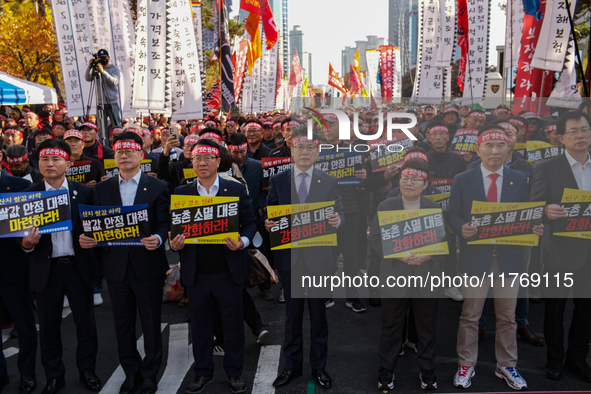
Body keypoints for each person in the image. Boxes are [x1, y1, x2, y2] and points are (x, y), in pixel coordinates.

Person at [447, 125, 544, 390]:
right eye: (488, 145)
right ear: (477, 149)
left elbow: (529, 214)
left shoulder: (520, 179)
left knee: (507, 316)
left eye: (500, 145)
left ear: (509, 148)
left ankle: (507, 365)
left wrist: (535, 225)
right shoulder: (463, 179)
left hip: (509, 258)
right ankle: (466, 363)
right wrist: (460, 227)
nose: (494, 150)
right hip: (475, 257)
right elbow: (452, 214)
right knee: (470, 315)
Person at [79, 131, 171, 394]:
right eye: (119, 152)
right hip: (116, 267)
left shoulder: (158, 187)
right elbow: (95, 223)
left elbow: (165, 221)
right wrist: (89, 240)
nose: (124, 156)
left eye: (130, 151)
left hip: (148, 265)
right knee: (122, 324)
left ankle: (150, 373)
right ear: (114, 157)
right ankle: (131, 372)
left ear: (141, 155)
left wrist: (157, 236)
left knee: (151, 322)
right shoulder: (103, 188)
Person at [170, 139, 257, 394]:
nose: (202, 163)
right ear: (191, 163)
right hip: (196, 274)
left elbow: (251, 223)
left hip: (229, 272)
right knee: (200, 327)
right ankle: (202, 373)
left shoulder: (235, 189)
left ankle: (234, 373)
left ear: (219, 162)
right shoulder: (182, 193)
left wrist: (243, 241)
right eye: (197, 159)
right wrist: (174, 243)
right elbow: (174, 231)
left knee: (232, 326)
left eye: (208, 158)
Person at [22, 138, 101, 394]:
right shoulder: (27, 196)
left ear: (68, 163)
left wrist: (94, 240)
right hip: (46, 270)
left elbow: (97, 228)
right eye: (44, 159)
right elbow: (17, 240)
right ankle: (54, 375)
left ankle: (87, 369)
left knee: (85, 324)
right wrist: (27, 244)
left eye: (56, 159)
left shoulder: (86, 192)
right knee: (48, 327)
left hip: (78, 267)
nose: (49, 164)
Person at [266, 127, 344, 390]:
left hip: (319, 259)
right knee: (292, 316)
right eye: (300, 147)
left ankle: (319, 367)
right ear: (291, 149)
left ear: (318, 151)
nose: (305, 152)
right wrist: (269, 223)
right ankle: (292, 366)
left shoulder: (329, 181)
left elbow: (340, 212)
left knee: (318, 316)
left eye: (310, 147)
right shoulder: (279, 180)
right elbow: (270, 210)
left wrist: (337, 219)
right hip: (290, 259)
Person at [369, 159, 444, 391]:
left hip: (425, 274)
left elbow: (444, 241)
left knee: (426, 327)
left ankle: (427, 370)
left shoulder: (433, 206)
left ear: (425, 184)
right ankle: (386, 370)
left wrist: (428, 256)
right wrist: (397, 255)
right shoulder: (386, 206)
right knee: (391, 326)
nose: (408, 183)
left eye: (415, 179)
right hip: (395, 273)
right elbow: (375, 239)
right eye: (404, 178)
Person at [529, 111, 591, 382]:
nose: (581, 136)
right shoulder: (547, 167)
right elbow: (533, 206)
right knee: (554, 309)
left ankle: (578, 358)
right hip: (559, 250)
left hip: (589, 252)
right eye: (574, 131)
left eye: (585, 130)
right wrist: (545, 209)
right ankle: (555, 359)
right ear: (562, 137)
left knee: (587, 309)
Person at [0, 147, 37, 394]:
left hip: (12, 269)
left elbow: (28, 231)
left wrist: (27, 243)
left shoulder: (20, 187)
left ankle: (27, 373)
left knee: (24, 326)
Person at [84, 49, 121, 130]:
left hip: (112, 102)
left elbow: (114, 82)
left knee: (116, 126)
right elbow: (88, 78)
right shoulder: (95, 69)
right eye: (100, 58)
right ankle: (103, 142)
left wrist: (103, 72)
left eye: (104, 58)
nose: (103, 60)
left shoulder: (114, 69)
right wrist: (89, 67)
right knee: (101, 128)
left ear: (108, 58)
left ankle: (116, 141)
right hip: (100, 103)